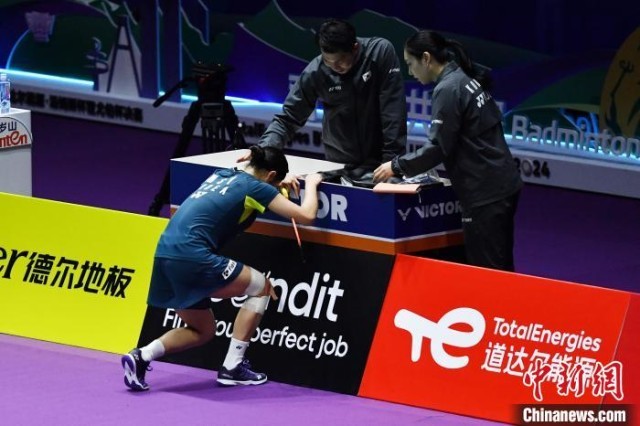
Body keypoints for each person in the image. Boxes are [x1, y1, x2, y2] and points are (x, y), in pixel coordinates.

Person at [121, 145, 323, 391]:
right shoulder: (256, 187)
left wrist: (279, 182)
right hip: (192, 256)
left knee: (203, 330)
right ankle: (232, 367)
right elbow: (306, 215)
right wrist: (311, 183)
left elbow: (248, 186)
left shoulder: (221, 174)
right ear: (270, 175)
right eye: (274, 181)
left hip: (164, 254)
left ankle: (141, 356)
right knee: (261, 288)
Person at [373, 30, 523, 272]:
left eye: (410, 64)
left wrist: (396, 166)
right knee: (500, 266)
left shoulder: (448, 89)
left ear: (426, 58)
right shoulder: (462, 78)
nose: (410, 72)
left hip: (485, 193)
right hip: (501, 185)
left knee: (488, 271)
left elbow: (438, 148)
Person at [239, 18, 407, 182]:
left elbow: (393, 111)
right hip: (339, 165)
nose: (335, 67)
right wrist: (262, 150)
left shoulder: (379, 52)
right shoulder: (316, 71)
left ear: (355, 48)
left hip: (381, 165)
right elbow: (288, 118)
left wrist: (391, 162)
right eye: (328, 61)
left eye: (340, 61)